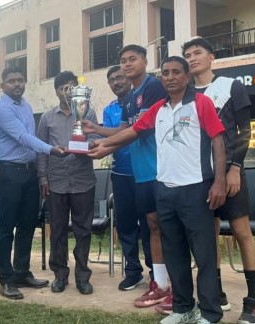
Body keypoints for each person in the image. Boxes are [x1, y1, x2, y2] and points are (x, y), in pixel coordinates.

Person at [89, 56, 226, 324]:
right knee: (173, 252)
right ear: (161, 78)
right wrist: (103, 148)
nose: (171, 77)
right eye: (166, 73)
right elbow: (132, 133)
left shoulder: (201, 103)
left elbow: (218, 140)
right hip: (164, 189)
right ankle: (183, 308)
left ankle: (210, 312)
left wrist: (219, 181)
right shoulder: (158, 110)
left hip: (196, 189)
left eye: (177, 72)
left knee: (204, 254)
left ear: (187, 77)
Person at [83, 45, 170, 309]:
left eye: (133, 59)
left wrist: (103, 149)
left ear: (145, 60)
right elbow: (123, 130)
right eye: (123, 61)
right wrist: (98, 138)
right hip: (141, 171)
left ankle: (172, 285)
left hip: (160, 169)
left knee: (161, 228)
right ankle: (161, 285)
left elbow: (140, 129)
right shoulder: (130, 97)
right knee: (152, 226)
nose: (127, 64)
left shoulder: (153, 86)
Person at [183, 37, 255, 323]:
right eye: (187, 54)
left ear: (211, 57)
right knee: (207, 236)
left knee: (242, 233)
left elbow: (244, 131)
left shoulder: (231, 86)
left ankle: (253, 302)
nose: (192, 58)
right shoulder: (186, 94)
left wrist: (235, 169)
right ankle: (216, 295)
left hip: (229, 173)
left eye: (197, 52)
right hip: (199, 176)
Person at [0, 66, 65, 300]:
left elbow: (30, 141)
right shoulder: (1, 109)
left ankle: (22, 272)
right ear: (2, 85)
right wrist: (51, 149)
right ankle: (6, 279)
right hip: (9, 173)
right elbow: (23, 137)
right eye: (11, 81)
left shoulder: (26, 105)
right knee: (5, 228)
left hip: (29, 172)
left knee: (27, 225)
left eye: (20, 80)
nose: (17, 84)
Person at [36, 71, 98, 294]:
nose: (67, 92)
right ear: (56, 91)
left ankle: (83, 276)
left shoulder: (87, 111)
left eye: (71, 88)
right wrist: (43, 178)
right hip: (56, 182)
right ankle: (60, 275)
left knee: (84, 230)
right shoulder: (46, 118)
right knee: (58, 230)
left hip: (83, 180)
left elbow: (95, 139)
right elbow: (41, 150)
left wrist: (85, 146)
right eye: (63, 88)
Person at [102, 66, 152, 291]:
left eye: (119, 77)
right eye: (111, 80)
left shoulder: (143, 100)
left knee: (151, 224)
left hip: (146, 173)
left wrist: (99, 135)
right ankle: (133, 271)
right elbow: (117, 135)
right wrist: (97, 135)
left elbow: (130, 132)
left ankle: (156, 271)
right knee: (125, 225)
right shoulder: (109, 110)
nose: (116, 82)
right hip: (121, 173)